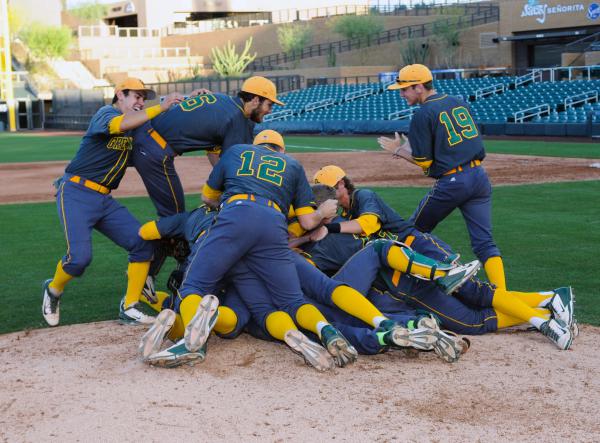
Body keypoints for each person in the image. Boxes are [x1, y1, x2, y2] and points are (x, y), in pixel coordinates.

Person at [143, 130, 421, 368]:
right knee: (296, 300)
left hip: (233, 225)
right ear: (281, 150)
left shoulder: (236, 152)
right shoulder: (292, 166)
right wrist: (323, 212)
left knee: (201, 291)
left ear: (257, 145)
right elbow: (306, 221)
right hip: (273, 231)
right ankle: (338, 329)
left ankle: (192, 338)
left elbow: (207, 198)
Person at [297, 183, 576, 350]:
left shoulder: (335, 230)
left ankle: (542, 311)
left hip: (409, 271)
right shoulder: (345, 223)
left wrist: (307, 233)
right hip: (415, 259)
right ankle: (549, 301)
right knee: (477, 294)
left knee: (473, 319)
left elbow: (306, 272)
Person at [41, 78, 183, 327]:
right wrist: (159, 107)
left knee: (142, 245)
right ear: (120, 95)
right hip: (76, 193)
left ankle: (129, 306)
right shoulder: (105, 114)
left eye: (143, 98)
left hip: (103, 198)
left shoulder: (136, 126)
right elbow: (121, 123)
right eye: (136, 96)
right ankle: (53, 290)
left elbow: (164, 114)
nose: (140, 102)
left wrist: (194, 96)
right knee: (79, 259)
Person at [130, 76, 283, 300]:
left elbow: (217, 157)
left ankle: (182, 270)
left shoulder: (224, 102)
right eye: (269, 104)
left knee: (176, 219)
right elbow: (233, 167)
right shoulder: (237, 118)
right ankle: (149, 275)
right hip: (155, 151)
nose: (270, 110)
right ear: (255, 99)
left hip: (150, 142)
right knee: (173, 220)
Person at [377, 64, 506, 290]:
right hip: (479, 177)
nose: (401, 93)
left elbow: (424, 162)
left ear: (419, 87)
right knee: (485, 243)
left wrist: (398, 150)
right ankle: (502, 294)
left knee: (412, 233)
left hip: (454, 182)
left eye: (404, 89)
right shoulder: (458, 101)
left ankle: (422, 280)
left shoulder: (423, 114)